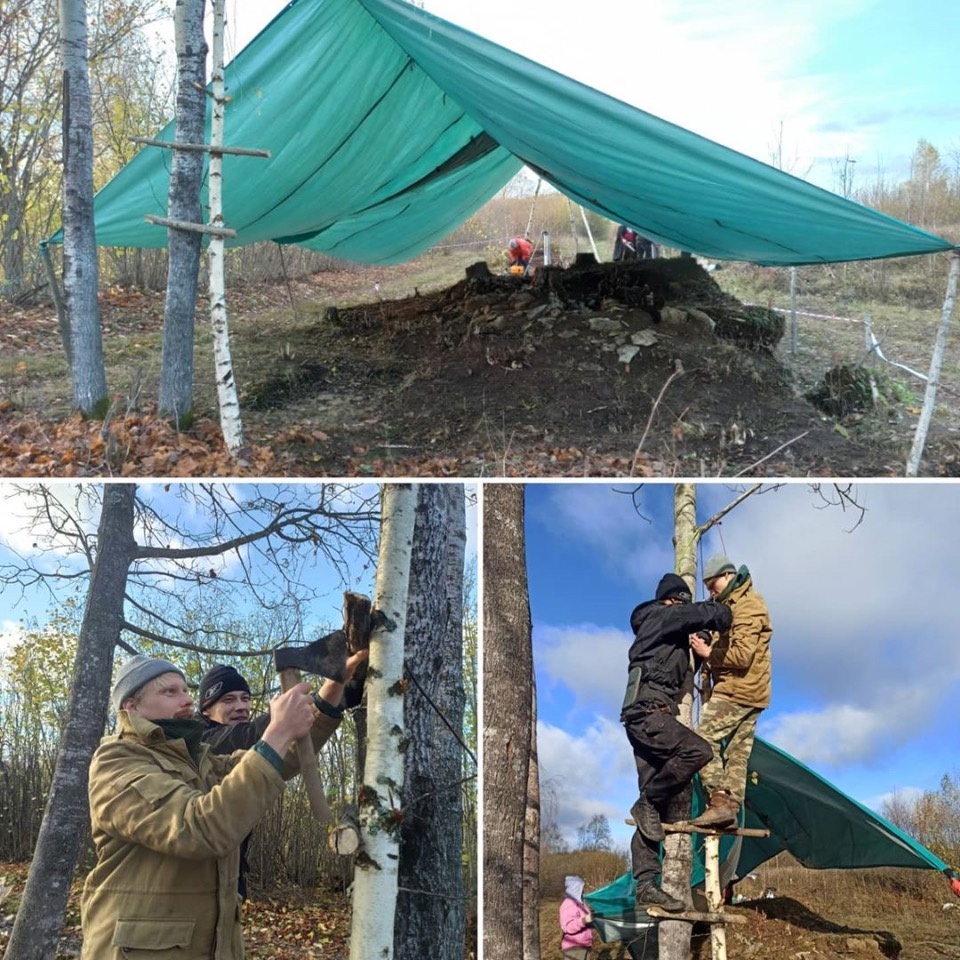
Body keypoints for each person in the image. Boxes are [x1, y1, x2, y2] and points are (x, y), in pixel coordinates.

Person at [81, 654, 332, 960]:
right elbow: (197, 828)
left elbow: (272, 762)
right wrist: (278, 731)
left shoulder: (200, 759)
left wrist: (334, 690)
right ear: (131, 706)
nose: (186, 699)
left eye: (185, 690)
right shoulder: (117, 762)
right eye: (169, 692)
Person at [198, 650, 368, 898]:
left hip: (229, 885)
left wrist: (340, 689)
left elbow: (286, 756)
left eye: (245, 698)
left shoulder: (244, 750)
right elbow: (248, 738)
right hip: (194, 889)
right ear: (205, 710)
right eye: (228, 700)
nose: (240, 707)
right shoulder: (198, 742)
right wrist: (288, 717)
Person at [621, 572, 733, 913]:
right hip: (648, 712)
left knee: (651, 803)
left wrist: (700, 645)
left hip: (646, 713)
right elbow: (698, 616)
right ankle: (648, 803)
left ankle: (645, 884)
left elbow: (686, 657)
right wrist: (719, 611)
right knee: (698, 750)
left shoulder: (667, 636)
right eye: (681, 602)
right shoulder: (657, 616)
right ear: (672, 600)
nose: (682, 608)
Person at [689, 555, 772, 829]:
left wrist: (708, 653)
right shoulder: (734, 606)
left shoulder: (748, 605)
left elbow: (741, 655)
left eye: (713, 586)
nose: (712, 593)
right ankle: (729, 809)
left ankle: (718, 800)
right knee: (737, 752)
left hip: (739, 689)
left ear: (728, 576)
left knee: (701, 741)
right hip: (754, 692)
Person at [559, 874, 594, 960]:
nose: (583, 890)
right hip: (574, 948)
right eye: (582, 888)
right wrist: (584, 920)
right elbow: (567, 927)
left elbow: (587, 922)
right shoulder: (568, 904)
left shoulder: (582, 904)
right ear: (576, 888)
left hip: (585, 945)